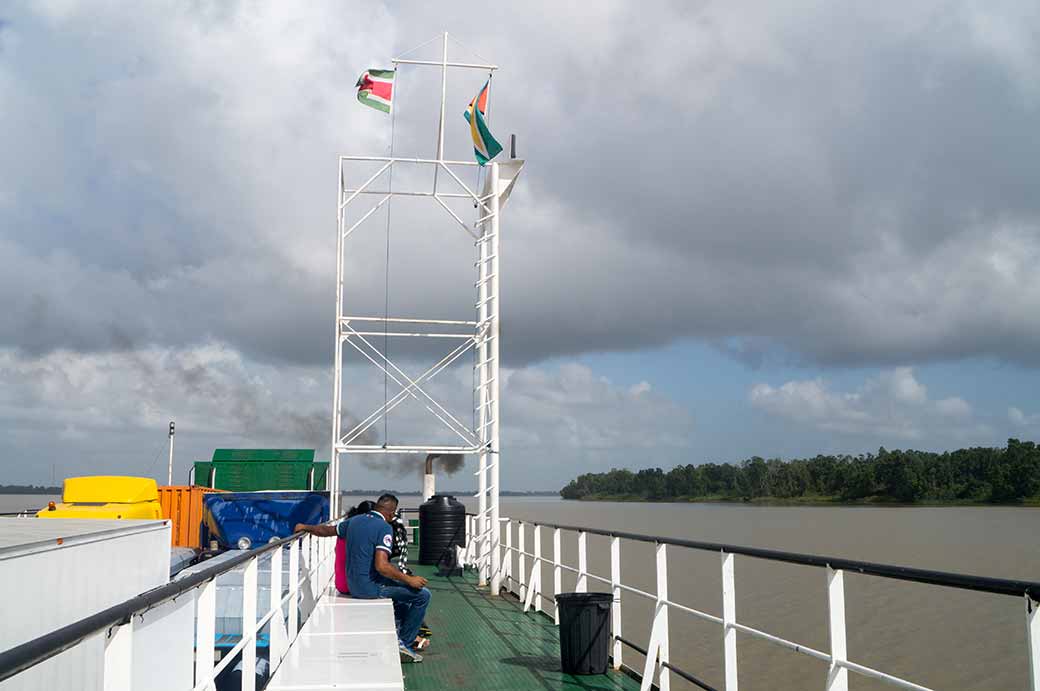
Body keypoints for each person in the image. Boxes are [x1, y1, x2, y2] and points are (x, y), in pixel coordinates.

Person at [295, 494, 431, 662]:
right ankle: (404, 644)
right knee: (422, 595)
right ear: (391, 513)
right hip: (369, 588)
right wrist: (409, 579)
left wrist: (305, 527)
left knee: (401, 593)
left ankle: (401, 635)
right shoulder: (384, 528)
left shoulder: (354, 521)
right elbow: (382, 566)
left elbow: (326, 531)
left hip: (352, 585)